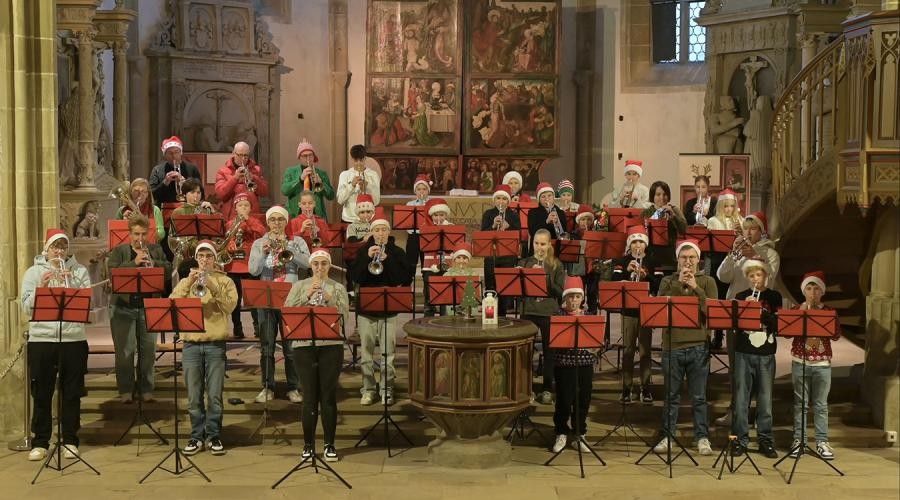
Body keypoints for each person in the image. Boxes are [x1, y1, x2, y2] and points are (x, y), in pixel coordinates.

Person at [21, 229, 92, 461]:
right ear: (46, 248)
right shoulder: (33, 273)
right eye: (55, 247)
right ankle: (40, 441)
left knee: (71, 392)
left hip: (73, 339)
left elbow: (85, 304)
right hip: (42, 339)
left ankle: (70, 440)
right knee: (41, 392)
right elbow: (25, 307)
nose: (58, 251)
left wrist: (69, 282)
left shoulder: (79, 271)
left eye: (62, 247)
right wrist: (42, 289)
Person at [170, 241, 238, 456]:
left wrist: (213, 286)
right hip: (191, 345)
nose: (205, 259)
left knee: (215, 395)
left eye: (209, 256)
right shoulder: (186, 282)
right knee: (193, 396)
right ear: (196, 259)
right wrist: (187, 282)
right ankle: (195, 436)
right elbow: (172, 303)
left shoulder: (225, 281)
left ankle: (213, 435)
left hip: (215, 345)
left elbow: (230, 306)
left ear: (215, 259)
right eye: (201, 256)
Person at [715, 211, 780, 427]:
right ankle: (736, 410)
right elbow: (722, 276)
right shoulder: (739, 251)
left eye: (753, 228)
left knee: (757, 369)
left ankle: (758, 414)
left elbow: (769, 279)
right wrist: (732, 254)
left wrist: (754, 256)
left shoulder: (770, 253)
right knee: (736, 368)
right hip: (735, 315)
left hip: (759, 316)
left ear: (761, 231)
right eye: (746, 228)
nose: (748, 232)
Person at [653, 239, 717, 457]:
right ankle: (668, 436)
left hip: (698, 346)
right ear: (678, 260)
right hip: (672, 347)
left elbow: (712, 312)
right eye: (684, 258)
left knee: (699, 397)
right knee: (671, 397)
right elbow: (659, 309)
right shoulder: (667, 281)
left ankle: (702, 437)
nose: (688, 262)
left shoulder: (707, 282)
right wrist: (678, 286)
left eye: (691, 258)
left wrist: (696, 288)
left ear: (698, 260)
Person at [284, 249, 349, 462]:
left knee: (328, 397)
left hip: (330, 346)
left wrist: (330, 299)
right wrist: (307, 295)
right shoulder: (299, 286)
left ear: (329, 266)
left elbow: (345, 318)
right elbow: (288, 312)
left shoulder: (338, 288)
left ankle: (330, 444)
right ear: (310, 266)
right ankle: (308, 445)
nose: (320, 268)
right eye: (316, 264)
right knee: (309, 397)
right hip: (304, 346)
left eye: (324, 264)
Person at [248, 206, 311, 404]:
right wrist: (263, 253)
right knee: (267, 347)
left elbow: (308, 264)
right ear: (268, 222)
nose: (276, 223)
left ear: (286, 221)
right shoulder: (259, 243)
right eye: (273, 220)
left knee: (291, 348)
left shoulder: (297, 241)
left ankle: (293, 387)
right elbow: (253, 270)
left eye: (280, 219)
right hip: (266, 300)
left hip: (291, 300)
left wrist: (290, 249)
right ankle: (267, 387)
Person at [350, 214, 414, 406]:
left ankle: (387, 389)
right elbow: (356, 277)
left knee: (388, 354)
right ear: (372, 232)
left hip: (388, 308)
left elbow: (402, 279)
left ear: (389, 232)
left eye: (383, 230)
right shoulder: (363, 251)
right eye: (376, 230)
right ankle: (368, 390)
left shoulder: (397, 252)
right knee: (367, 354)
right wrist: (366, 259)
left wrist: (388, 261)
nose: (380, 234)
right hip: (366, 308)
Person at [107, 216, 171, 403]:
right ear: (129, 234)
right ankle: (126, 389)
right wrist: (134, 263)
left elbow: (167, 271)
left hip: (148, 307)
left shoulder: (156, 250)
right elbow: (112, 273)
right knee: (125, 352)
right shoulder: (118, 251)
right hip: (122, 308)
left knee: (148, 351)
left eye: (143, 234)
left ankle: (146, 388)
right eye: (136, 234)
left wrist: (153, 261)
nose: (140, 238)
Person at [730, 259, 781, 458]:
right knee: (741, 399)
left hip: (766, 354)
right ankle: (740, 440)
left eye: (758, 275)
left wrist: (761, 310)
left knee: (765, 400)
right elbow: (734, 325)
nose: (755, 279)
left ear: (765, 276)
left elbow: (777, 324)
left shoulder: (774, 296)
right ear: (747, 278)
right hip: (744, 351)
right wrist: (745, 309)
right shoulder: (741, 296)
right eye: (751, 276)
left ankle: (765, 440)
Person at [789, 271, 841, 460]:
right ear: (804, 291)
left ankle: (821, 441)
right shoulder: (796, 310)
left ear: (822, 292)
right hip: (800, 362)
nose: (813, 292)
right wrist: (803, 312)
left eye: (816, 288)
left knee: (820, 405)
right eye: (809, 288)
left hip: (822, 363)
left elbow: (836, 335)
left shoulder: (828, 312)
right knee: (800, 404)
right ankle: (798, 440)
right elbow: (786, 333)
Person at [520, 229, 566, 405]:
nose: (540, 247)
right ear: (533, 244)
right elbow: (517, 288)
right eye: (537, 244)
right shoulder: (525, 262)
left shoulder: (556, 265)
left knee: (549, 352)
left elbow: (561, 292)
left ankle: (547, 388)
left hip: (548, 311)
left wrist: (544, 278)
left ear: (549, 245)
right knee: (526, 352)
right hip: (529, 310)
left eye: (543, 244)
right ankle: (526, 388)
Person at [551, 276, 596, 453]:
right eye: (571, 297)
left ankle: (579, 434)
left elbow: (596, 343)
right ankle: (561, 432)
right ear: (565, 298)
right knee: (564, 400)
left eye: (577, 297)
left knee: (583, 400)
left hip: (585, 364)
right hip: (565, 364)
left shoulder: (589, 317)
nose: (574, 300)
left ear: (582, 299)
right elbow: (554, 342)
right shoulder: (559, 316)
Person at [612, 226, 655, 404]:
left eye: (641, 242)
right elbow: (614, 283)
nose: (638, 246)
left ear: (645, 244)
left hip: (646, 311)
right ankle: (626, 387)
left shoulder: (652, 261)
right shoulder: (622, 261)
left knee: (645, 351)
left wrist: (645, 276)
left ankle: (645, 388)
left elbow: (658, 284)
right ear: (630, 245)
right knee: (628, 350)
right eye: (634, 242)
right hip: (628, 311)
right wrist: (626, 272)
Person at [223, 193, 266, 338]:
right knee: (235, 298)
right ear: (235, 208)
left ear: (250, 208)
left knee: (253, 298)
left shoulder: (255, 221)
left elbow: (262, 233)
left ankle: (257, 327)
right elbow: (226, 239)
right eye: (240, 205)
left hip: (250, 264)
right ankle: (237, 327)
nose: (243, 208)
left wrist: (248, 221)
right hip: (234, 265)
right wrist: (230, 244)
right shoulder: (230, 223)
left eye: (246, 205)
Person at [705, 189, 742, 349]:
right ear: (721, 206)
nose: (729, 210)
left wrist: (740, 230)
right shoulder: (713, 221)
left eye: (732, 206)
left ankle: (733, 336)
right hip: (717, 262)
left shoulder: (740, 220)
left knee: (732, 298)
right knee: (719, 299)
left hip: (734, 264)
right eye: (726, 206)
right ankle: (718, 335)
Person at [481, 184, 520, 317]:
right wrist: (493, 225)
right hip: (491, 257)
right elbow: (482, 235)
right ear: (494, 200)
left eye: (504, 199)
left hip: (508, 257)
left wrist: (508, 228)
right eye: (498, 198)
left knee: (504, 289)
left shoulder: (514, 216)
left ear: (508, 201)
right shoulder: (488, 214)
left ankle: (502, 317)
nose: (501, 201)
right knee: (490, 289)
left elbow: (518, 237)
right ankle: (490, 316)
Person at [168, 178, 217, 280]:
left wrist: (213, 212)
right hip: (184, 254)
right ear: (185, 194)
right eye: (192, 192)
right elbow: (172, 237)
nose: (196, 196)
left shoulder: (206, 210)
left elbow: (216, 234)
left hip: (203, 254)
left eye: (198, 192)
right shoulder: (178, 212)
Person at [214, 141, 270, 222]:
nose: (243, 159)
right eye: (240, 155)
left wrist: (253, 178)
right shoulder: (222, 171)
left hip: (252, 215)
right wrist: (235, 178)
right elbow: (220, 194)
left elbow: (264, 192)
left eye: (245, 155)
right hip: (231, 217)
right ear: (233, 153)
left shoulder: (256, 170)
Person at [641, 180, 687, 278]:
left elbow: (684, 230)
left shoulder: (674, 210)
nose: (662, 198)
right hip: (651, 254)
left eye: (665, 194)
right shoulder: (646, 212)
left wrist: (673, 216)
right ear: (652, 196)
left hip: (669, 255)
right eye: (658, 194)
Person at [282, 139, 335, 220]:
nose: (308, 158)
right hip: (295, 215)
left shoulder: (321, 173)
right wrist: (300, 179)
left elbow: (331, 196)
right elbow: (284, 191)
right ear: (299, 157)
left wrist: (322, 184)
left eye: (311, 155)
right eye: (305, 156)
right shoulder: (290, 171)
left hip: (317, 215)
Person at [148, 136, 201, 205]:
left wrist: (183, 181)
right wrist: (164, 183)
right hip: (163, 209)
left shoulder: (192, 168)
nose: (173, 156)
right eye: (170, 153)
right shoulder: (157, 170)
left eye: (176, 152)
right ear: (165, 155)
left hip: (187, 209)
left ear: (181, 153)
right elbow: (151, 195)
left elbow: (200, 192)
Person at [421, 197, 452, 316]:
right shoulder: (426, 228)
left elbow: (455, 246)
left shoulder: (451, 227)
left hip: (447, 266)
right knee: (429, 293)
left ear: (446, 215)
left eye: (441, 215)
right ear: (431, 215)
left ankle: (444, 318)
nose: (438, 218)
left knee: (445, 294)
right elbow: (423, 247)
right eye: (435, 215)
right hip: (430, 266)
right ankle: (428, 316)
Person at [336, 144, 381, 224]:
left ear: (365, 158)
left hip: (368, 219)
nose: (359, 163)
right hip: (348, 219)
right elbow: (340, 200)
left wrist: (368, 187)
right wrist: (351, 186)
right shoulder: (345, 174)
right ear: (351, 159)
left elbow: (376, 201)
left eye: (361, 160)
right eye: (356, 160)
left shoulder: (373, 175)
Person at [404, 174, 432, 271]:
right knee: (410, 262)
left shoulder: (432, 204)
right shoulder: (409, 204)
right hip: (413, 236)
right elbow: (406, 223)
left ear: (428, 191)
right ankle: (407, 283)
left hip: (427, 237)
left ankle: (426, 285)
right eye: (419, 189)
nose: (421, 191)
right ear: (415, 191)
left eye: (424, 189)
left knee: (426, 264)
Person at [528, 182, 568, 246]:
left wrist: (557, 223)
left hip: (555, 248)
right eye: (543, 196)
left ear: (553, 197)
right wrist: (547, 221)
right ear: (539, 200)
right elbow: (533, 232)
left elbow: (563, 234)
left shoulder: (561, 213)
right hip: (538, 248)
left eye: (549, 195)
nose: (547, 199)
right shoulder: (532, 212)